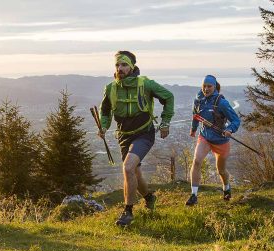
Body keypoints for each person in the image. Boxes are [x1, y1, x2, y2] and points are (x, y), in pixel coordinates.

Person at [99, 51, 175, 226]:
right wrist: (103, 126)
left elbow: (168, 97)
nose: (120, 68)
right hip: (124, 136)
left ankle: (128, 212)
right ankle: (149, 198)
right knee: (134, 172)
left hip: (144, 133)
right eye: (117, 65)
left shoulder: (145, 84)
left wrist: (165, 122)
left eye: (124, 65)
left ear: (132, 66)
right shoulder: (110, 88)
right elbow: (105, 111)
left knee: (128, 167)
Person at [186, 75, 240, 206]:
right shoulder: (198, 100)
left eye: (209, 86)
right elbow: (196, 115)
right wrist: (193, 129)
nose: (206, 89)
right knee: (197, 161)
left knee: (221, 170)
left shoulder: (221, 102)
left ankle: (226, 188)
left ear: (214, 87)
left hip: (221, 140)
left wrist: (230, 130)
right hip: (204, 136)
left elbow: (236, 120)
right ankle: (194, 195)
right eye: (204, 86)